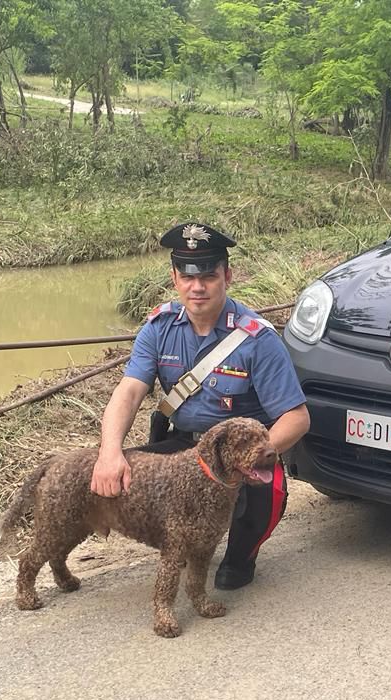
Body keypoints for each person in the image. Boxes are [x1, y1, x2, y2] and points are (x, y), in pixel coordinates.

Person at [90, 222, 310, 589]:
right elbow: (128, 392)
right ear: (175, 277)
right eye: (188, 277)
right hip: (183, 444)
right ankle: (179, 541)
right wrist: (108, 452)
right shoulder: (159, 328)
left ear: (227, 275)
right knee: (128, 471)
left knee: (262, 498)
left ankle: (241, 556)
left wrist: (254, 457)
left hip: (238, 451)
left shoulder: (257, 339)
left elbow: (297, 417)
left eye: (208, 276)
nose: (197, 287)